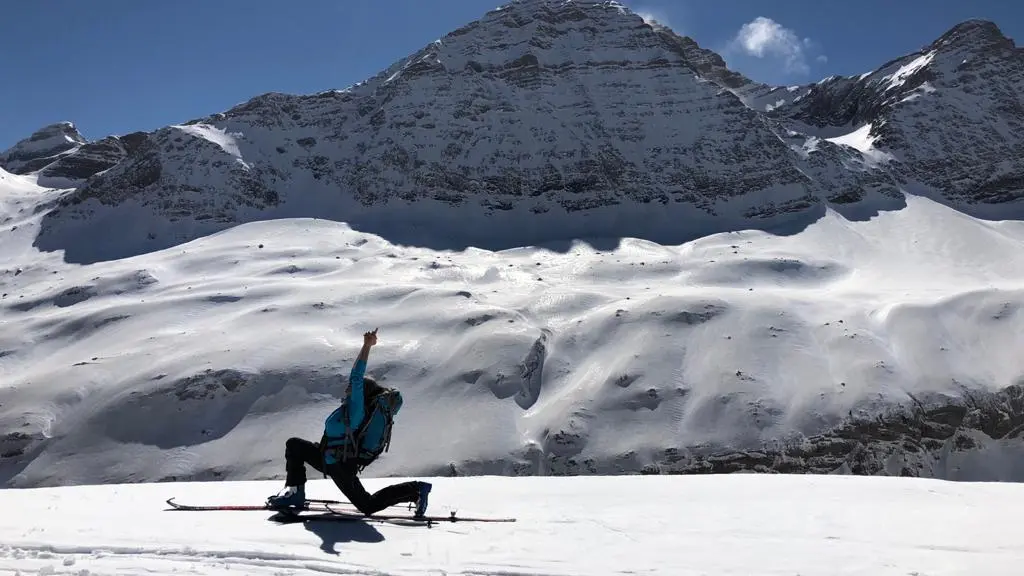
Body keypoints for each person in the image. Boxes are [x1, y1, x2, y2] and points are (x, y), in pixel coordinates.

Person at [266, 328, 432, 517]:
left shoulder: (356, 411)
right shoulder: (349, 409)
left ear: (360, 393)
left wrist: (367, 346)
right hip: (327, 457)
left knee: (368, 505)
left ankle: (416, 490)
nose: (346, 390)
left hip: (341, 465)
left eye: (350, 389)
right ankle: (295, 493)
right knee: (294, 445)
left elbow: (356, 376)